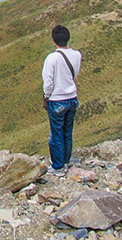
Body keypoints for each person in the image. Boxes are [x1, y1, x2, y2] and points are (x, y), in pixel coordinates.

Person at [42, 25, 82, 177]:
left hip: (57, 99)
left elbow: (48, 82)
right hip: (72, 97)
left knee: (56, 133)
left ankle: (58, 167)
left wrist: (47, 96)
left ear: (54, 40)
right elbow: (74, 73)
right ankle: (65, 161)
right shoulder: (77, 55)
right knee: (67, 131)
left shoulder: (52, 58)